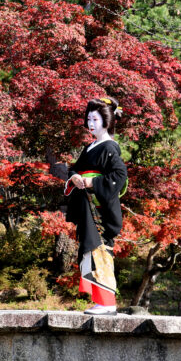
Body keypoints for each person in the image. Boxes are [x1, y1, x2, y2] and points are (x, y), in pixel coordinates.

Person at [64, 97, 127, 315]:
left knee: (101, 250)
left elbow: (119, 175)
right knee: (91, 251)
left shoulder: (110, 147)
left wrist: (91, 182)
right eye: (89, 118)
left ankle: (108, 303)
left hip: (100, 208)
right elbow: (74, 168)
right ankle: (101, 300)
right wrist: (73, 179)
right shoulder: (91, 147)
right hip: (88, 206)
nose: (91, 123)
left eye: (95, 118)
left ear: (106, 120)